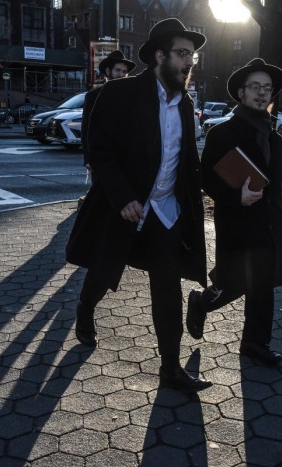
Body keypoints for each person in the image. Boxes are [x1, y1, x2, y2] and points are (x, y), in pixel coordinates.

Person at [65, 18, 211, 393]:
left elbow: (184, 161)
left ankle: (170, 368)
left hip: (165, 211)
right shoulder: (121, 94)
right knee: (104, 270)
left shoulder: (185, 103)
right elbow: (100, 150)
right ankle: (86, 306)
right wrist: (123, 196)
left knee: (168, 286)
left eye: (191, 56)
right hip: (126, 208)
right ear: (160, 56)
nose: (188, 62)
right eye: (182, 53)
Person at [186, 58, 282, 367]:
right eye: (255, 87)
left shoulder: (275, 138)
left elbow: (275, 187)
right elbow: (205, 179)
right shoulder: (223, 134)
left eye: (267, 88)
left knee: (263, 285)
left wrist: (279, 215)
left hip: (268, 224)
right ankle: (202, 302)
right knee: (235, 283)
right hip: (236, 221)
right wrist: (236, 197)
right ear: (241, 93)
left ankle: (255, 345)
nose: (262, 93)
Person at [81, 50, 136, 169]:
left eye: (124, 71)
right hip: (101, 156)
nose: (121, 74)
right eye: (117, 70)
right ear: (107, 71)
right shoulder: (93, 96)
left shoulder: (132, 97)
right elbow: (86, 129)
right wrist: (87, 158)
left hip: (127, 157)